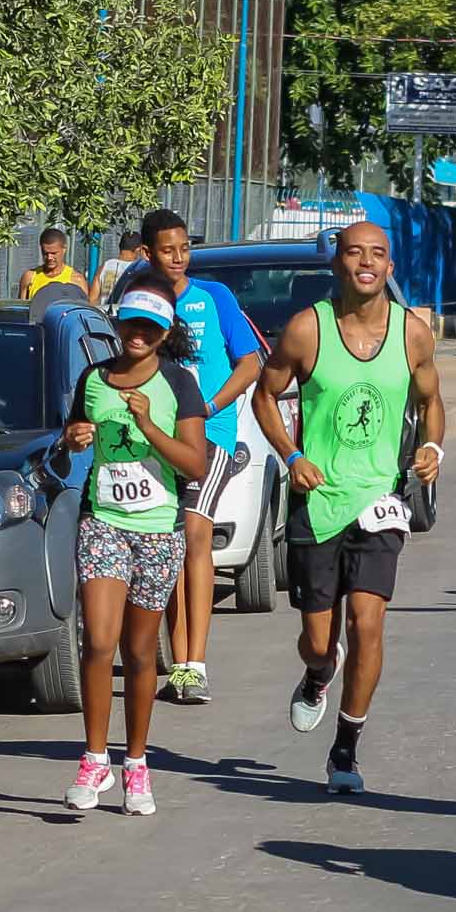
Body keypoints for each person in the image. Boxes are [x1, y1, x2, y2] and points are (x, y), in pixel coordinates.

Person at [251, 221, 444, 795]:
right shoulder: (307, 330)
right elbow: (265, 394)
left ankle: (345, 749)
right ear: (337, 263)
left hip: (381, 501)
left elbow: (432, 402)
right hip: (318, 501)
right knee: (319, 641)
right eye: (355, 252)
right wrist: (291, 454)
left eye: (377, 254)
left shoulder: (413, 335)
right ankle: (316, 675)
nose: (366, 262)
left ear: (389, 267)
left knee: (368, 625)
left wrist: (432, 447)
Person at [54, 283, 210, 815]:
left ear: (164, 334)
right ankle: (94, 759)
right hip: (103, 523)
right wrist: (74, 437)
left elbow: (196, 464)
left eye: (149, 328)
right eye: (130, 325)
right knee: (98, 642)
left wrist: (147, 425)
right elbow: (75, 436)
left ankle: (136, 766)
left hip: (159, 530)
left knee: (140, 652)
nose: (138, 335)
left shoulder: (177, 384)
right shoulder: (93, 379)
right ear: (118, 327)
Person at [137, 208, 265, 705]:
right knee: (168, 539)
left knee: (195, 529)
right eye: (168, 250)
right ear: (147, 253)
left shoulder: (214, 298)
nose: (178, 258)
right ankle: (176, 657)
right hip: (158, 437)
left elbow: (250, 362)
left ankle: (196, 663)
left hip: (211, 432)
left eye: (185, 248)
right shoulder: (141, 302)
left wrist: (210, 404)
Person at [19, 227, 87, 299]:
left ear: (64, 249)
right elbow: (21, 307)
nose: (49, 257)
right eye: (45, 253)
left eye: (54, 253)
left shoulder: (76, 280)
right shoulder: (29, 277)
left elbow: (83, 308)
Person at [89, 231, 144, 306]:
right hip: (126, 314)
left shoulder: (104, 266)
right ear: (138, 250)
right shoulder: (139, 269)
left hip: (105, 314)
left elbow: (92, 300)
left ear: (120, 246)